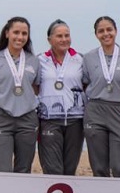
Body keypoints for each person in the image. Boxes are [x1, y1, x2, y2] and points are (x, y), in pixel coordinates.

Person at [0, 17, 39, 173]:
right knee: (1, 170)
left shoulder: (34, 61)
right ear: (7, 33)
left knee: (24, 170)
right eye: (16, 32)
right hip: (1, 119)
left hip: (28, 120)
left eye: (24, 33)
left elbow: (36, 89)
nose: (20, 37)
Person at [82, 16, 120, 178]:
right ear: (96, 35)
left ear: (116, 31)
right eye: (101, 31)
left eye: (109, 30)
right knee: (99, 167)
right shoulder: (88, 57)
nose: (106, 34)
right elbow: (84, 84)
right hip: (95, 111)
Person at [34, 19, 86, 176]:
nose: (64, 39)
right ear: (49, 39)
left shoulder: (81, 59)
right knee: (52, 170)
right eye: (59, 36)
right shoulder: (40, 60)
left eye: (67, 35)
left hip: (75, 121)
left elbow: (90, 85)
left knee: (69, 170)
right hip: (49, 121)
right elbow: (31, 86)